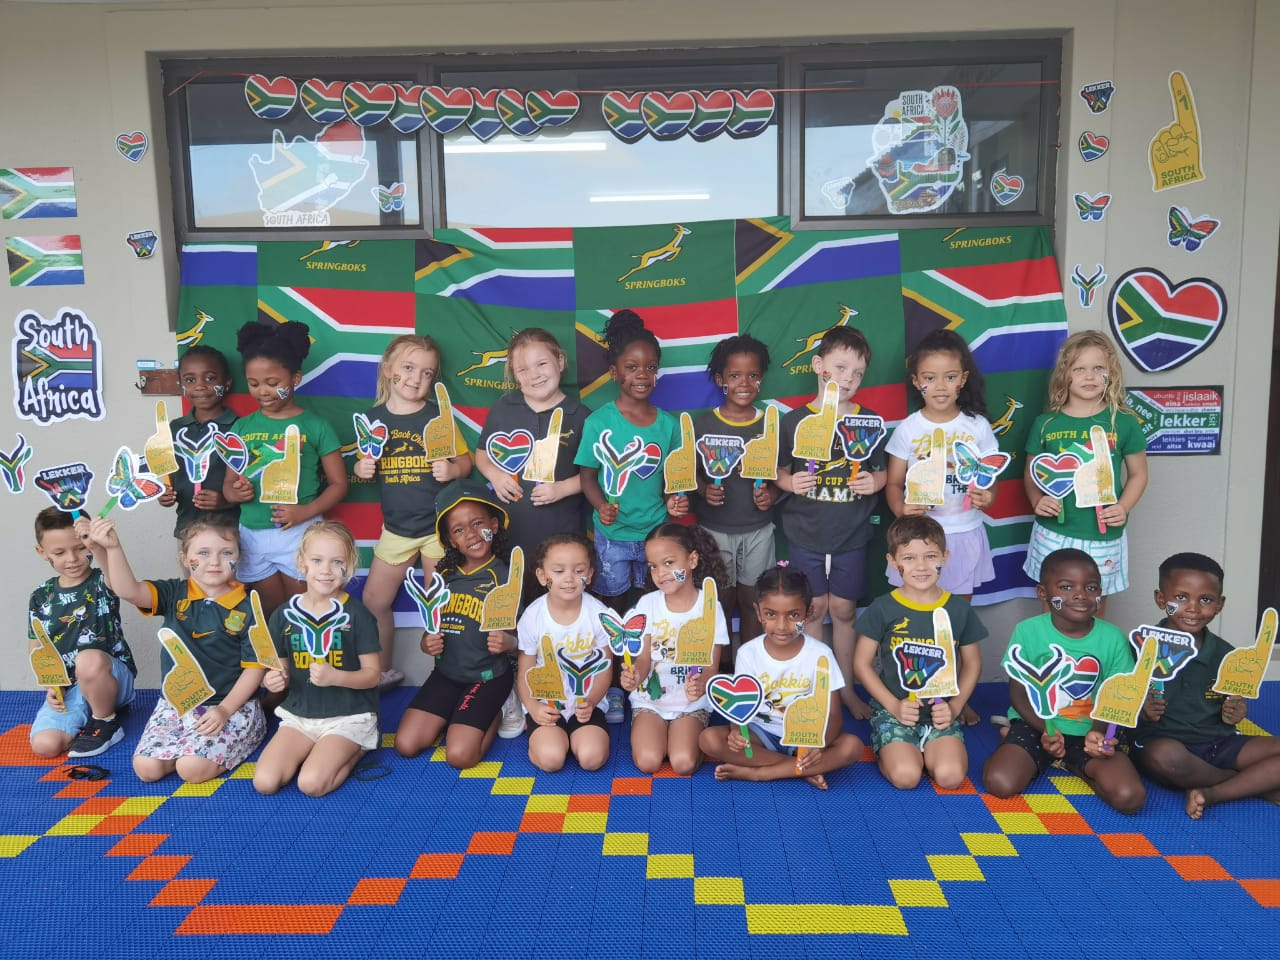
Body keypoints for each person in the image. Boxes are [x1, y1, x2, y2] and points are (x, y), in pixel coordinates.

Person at [87, 516, 266, 783]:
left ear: (239, 556)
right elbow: (128, 590)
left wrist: (225, 710)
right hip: (177, 706)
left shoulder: (248, 605)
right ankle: (187, 747)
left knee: (191, 769)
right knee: (146, 769)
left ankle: (238, 736)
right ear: (184, 558)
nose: (214, 561)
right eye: (203, 553)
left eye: (226, 553)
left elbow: (256, 668)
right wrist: (112, 547)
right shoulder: (173, 592)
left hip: (231, 706)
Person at [775, 324, 887, 719]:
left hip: (851, 534)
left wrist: (874, 482)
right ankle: (813, 689)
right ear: (817, 365)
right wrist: (790, 482)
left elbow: (883, 473)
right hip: (805, 532)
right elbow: (778, 473)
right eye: (840, 368)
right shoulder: (793, 421)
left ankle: (846, 690)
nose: (848, 379)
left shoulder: (868, 420)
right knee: (813, 609)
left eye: (858, 373)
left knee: (842, 610)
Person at [982, 548, 1146, 814]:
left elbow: (1118, 698)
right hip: (1037, 726)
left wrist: (1098, 732)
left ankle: (1074, 763)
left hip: (1091, 730)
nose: (1081, 595)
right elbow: (1018, 693)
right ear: (1043, 593)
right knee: (1000, 783)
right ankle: (1014, 741)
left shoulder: (1114, 638)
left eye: (1091, 588)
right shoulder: (1028, 631)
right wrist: (1045, 730)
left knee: (1129, 797)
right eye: (1067, 587)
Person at [353, 334, 472, 689]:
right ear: (388, 369)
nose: (415, 378)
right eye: (408, 367)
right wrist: (361, 467)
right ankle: (381, 671)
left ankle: (449, 675)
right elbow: (362, 461)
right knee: (373, 600)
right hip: (397, 530)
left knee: (441, 605)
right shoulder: (372, 421)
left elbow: (465, 463)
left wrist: (452, 470)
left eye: (426, 373)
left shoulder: (438, 418)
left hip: (438, 529)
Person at [1131, 553, 1280, 819]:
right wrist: (1142, 711)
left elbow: (1230, 707)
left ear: (1219, 604)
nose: (1193, 608)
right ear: (1160, 599)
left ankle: (1212, 792)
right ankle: (1252, 785)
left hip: (1218, 742)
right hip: (1164, 744)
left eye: (1206, 600)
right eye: (1181, 597)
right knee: (1165, 756)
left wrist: (1234, 712)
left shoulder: (1226, 654)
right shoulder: (1141, 647)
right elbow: (1117, 708)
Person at [223, 320, 348, 616]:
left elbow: (339, 484)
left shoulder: (315, 426)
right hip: (252, 535)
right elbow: (228, 484)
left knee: (304, 612)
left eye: (273, 383)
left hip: (300, 533)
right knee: (269, 615)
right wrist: (234, 493)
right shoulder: (241, 427)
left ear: (295, 378)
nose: (263, 392)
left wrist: (305, 512)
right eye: (254, 384)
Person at [853, 516, 986, 790]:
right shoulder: (882, 608)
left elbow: (973, 663)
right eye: (909, 558)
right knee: (907, 777)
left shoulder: (958, 609)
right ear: (893, 562)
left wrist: (955, 707)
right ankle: (895, 750)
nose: (921, 566)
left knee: (950, 777)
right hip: (894, 711)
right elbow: (861, 664)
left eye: (930, 556)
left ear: (945, 557)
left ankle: (927, 749)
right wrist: (893, 706)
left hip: (940, 712)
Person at [700, 565, 864, 788]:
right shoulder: (748, 653)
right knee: (709, 739)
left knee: (852, 746)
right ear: (758, 613)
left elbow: (833, 715)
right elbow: (739, 706)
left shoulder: (821, 655)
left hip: (805, 739)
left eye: (793, 615)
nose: (782, 626)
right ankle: (799, 769)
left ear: (809, 613)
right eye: (771, 614)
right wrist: (736, 731)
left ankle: (762, 773)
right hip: (761, 734)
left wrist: (818, 745)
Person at [394, 481, 519, 769]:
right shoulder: (444, 576)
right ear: (451, 540)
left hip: (487, 677)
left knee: (460, 756)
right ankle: (458, 714)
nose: (471, 535)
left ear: (494, 525)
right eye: (459, 530)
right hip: (447, 674)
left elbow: (522, 640)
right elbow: (432, 627)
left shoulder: (506, 577)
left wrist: (509, 643)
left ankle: (499, 709)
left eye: (477, 523)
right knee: (406, 745)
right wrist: (426, 642)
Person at [669, 334, 778, 660]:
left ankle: (748, 666)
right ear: (720, 380)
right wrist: (703, 489)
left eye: (753, 375)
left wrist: (771, 495)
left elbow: (782, 475)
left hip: (758, 529)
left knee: (753, 600)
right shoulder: (701, 424)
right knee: (720, 600)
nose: (744, 383)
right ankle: (723, 668)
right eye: (735, 375)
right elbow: (686, 473)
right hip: (714, 530)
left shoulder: (770, 425)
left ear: (762, 378)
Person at [253, 521, 380, 797]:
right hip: (300, 715)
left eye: (337, 562)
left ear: (350, 565)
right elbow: (279, 669)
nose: (326, 570)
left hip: (348, 716)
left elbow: (373, 675)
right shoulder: (283, 615)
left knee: (311, 784)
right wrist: (272, 680)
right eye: (317, 560)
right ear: (302, 563)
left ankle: (358, 747)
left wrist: (337, 676)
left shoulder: (358, 615)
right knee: (265, 782)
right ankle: (320, 750)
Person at [1024, 331, 1148, 607]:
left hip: (1102, 534)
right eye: (1079, 369)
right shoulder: (1046, 423)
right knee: (1052, 604)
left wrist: (1124, 506)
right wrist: (1036, 500)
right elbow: (1032, 472)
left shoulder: (1123, 422)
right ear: (1064, 375)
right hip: (1053, 532)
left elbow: (1139, 474)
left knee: (1093, 605)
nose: (1089, 376)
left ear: (1110, 374)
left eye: (1098, 368)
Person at [575, 310, 679, 612]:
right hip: (612, 536)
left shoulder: (669, 426)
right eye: (631, 367)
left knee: (654, 602)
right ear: (614, 372)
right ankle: (616, 646)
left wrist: (674, 500)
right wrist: (601, 506)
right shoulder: (598, 423)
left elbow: (674, 479)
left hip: (655, 532)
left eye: (650, 367)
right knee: (613, 603)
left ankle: (648, 645)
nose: (642, 375)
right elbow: (587, 477)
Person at [476, 327, 588, 602]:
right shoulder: (504, 408)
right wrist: (495, 475)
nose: (534, 374)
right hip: (510, 532)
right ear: (514, 374)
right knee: (514, 600)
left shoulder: (581, 416)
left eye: (542, 364)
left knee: (560, 602)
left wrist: (562, 488)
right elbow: (481, 454)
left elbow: (593, 474)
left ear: (560, 362)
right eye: (523, 369)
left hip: (561, 534)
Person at [27, 508, 136, 759]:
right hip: (70, 687)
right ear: (42, 552)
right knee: (45, 746)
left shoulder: (103, 580)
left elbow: (120, 582)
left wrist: (98, 543)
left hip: (111, 677)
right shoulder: (40, 596)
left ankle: (106, 720)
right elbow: (36, 646)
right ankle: (84, 715)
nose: (73, 559)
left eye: (80, 548)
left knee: (87, 659)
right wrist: (51, 684)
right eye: (59, 552)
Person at [621, 522, 729, 776]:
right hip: (650, 701)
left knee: (683, 763)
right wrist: (635, 674)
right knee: (648, 761)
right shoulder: (647, 603)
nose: (661, 573)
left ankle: (683, 736)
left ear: (692, 560)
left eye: (669, 563)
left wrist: (701, 684)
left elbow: (711, 668)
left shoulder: (710, 606)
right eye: (653, 566)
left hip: (691, 704)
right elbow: (643, 658)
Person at [516, 533, 613, 772]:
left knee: (591, 758)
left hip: (585, 703)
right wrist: (533, 707)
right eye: (559, 571)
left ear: (590, 574)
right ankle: (542, 742)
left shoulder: (599, 614)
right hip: (547, 703)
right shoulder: (533, 616)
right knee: (551, 759)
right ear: (542, 576)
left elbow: (605, 668)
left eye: (579, 571)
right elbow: (525, 668)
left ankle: (577, 737)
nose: (569, 578)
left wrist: (591, 702)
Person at [158, 345, 240, 539]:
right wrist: (164, 494)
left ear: (227, 383)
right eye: (190, 380)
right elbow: (169, 475)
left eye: (210, 378)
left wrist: (226, 501)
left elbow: (252, 483)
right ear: (180, 384)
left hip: (230, 531)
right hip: (187, 529)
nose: (200, 386)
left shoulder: (239, 427)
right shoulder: (174, 428)